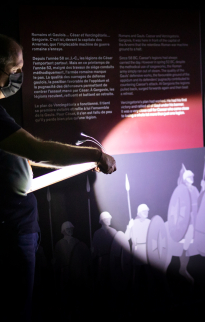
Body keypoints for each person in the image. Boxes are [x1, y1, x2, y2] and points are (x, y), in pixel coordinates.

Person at [0, 34, 116, 321]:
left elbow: (23, 156)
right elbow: (37, 151)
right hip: (11, 231)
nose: (18, 76)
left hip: (20, 226)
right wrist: (94, 155)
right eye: (14, 70)